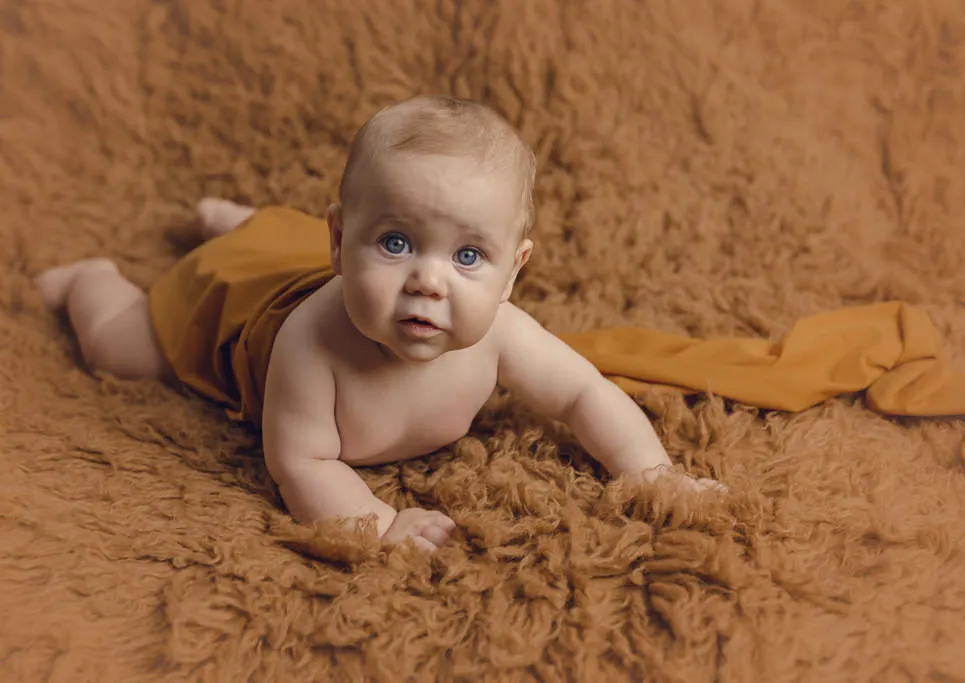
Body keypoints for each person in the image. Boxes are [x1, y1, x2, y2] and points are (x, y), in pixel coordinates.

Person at [35, 95, 722, 551]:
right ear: (340, 241)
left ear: (514, 271)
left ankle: (242, 220)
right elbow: (300, 460)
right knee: (121, 349)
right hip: (231, 304)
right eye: (396, 242)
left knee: (283, 244)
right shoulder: (310, 344)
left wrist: (649, 469)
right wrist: (381, 523)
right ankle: (91, 279)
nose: (428, 279)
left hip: (301, 252)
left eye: (469, 255)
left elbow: (583, 393)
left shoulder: (504, 331)